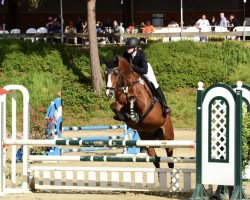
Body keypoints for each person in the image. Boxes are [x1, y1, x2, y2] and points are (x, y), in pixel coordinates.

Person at [122, 37, 171, 115]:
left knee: (154, 83)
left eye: (129, 47)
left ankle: (165, 105)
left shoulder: (141, 54)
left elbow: (144, 70)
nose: (127, 49)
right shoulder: (126, 54)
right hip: (134, 71)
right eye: (127, 47)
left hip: (145, 70)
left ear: (135, 48)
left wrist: (132, 67)